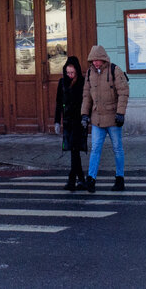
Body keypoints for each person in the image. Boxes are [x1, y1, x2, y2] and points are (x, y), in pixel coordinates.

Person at [80, 44, 129, 192]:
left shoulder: (115, 70)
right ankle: (91, 179)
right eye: (93, 60)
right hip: (97, 119)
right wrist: (84, 114)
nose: (95, 62)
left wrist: (121, 113)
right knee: (95, 149)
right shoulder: (89, 73)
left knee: (117, 149)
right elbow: (86, 96)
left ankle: (119, 178)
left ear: (103, 59)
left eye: (97, 60)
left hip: (113, 118)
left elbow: (123, 92)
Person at [54, 55, 87, 191]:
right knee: (74, 151)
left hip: (79, 122)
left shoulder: (82, 82)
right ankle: (81, 179)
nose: (70, 75)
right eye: (68, 72)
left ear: (77, 71)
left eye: (72, 72)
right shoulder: (62, 82)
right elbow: (58, 103)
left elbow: (87, 102)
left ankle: (72, 180)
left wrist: (86, 117)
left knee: (74, 150)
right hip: (68, 122)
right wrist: (57, 121)